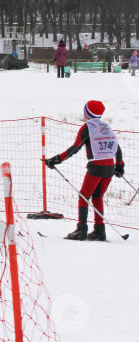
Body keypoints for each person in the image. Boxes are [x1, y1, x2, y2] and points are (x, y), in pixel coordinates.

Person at [44, 100, 124, 241]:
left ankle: (81, 230)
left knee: (83, 196)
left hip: (96, 167)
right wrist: (119, 166)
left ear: (87, 113)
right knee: (97, 197)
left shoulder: (88, 127)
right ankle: (99, 231)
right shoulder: (106, 126)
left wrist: (57, 159)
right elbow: (117, 148)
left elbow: (76, 147)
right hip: (110, 168)